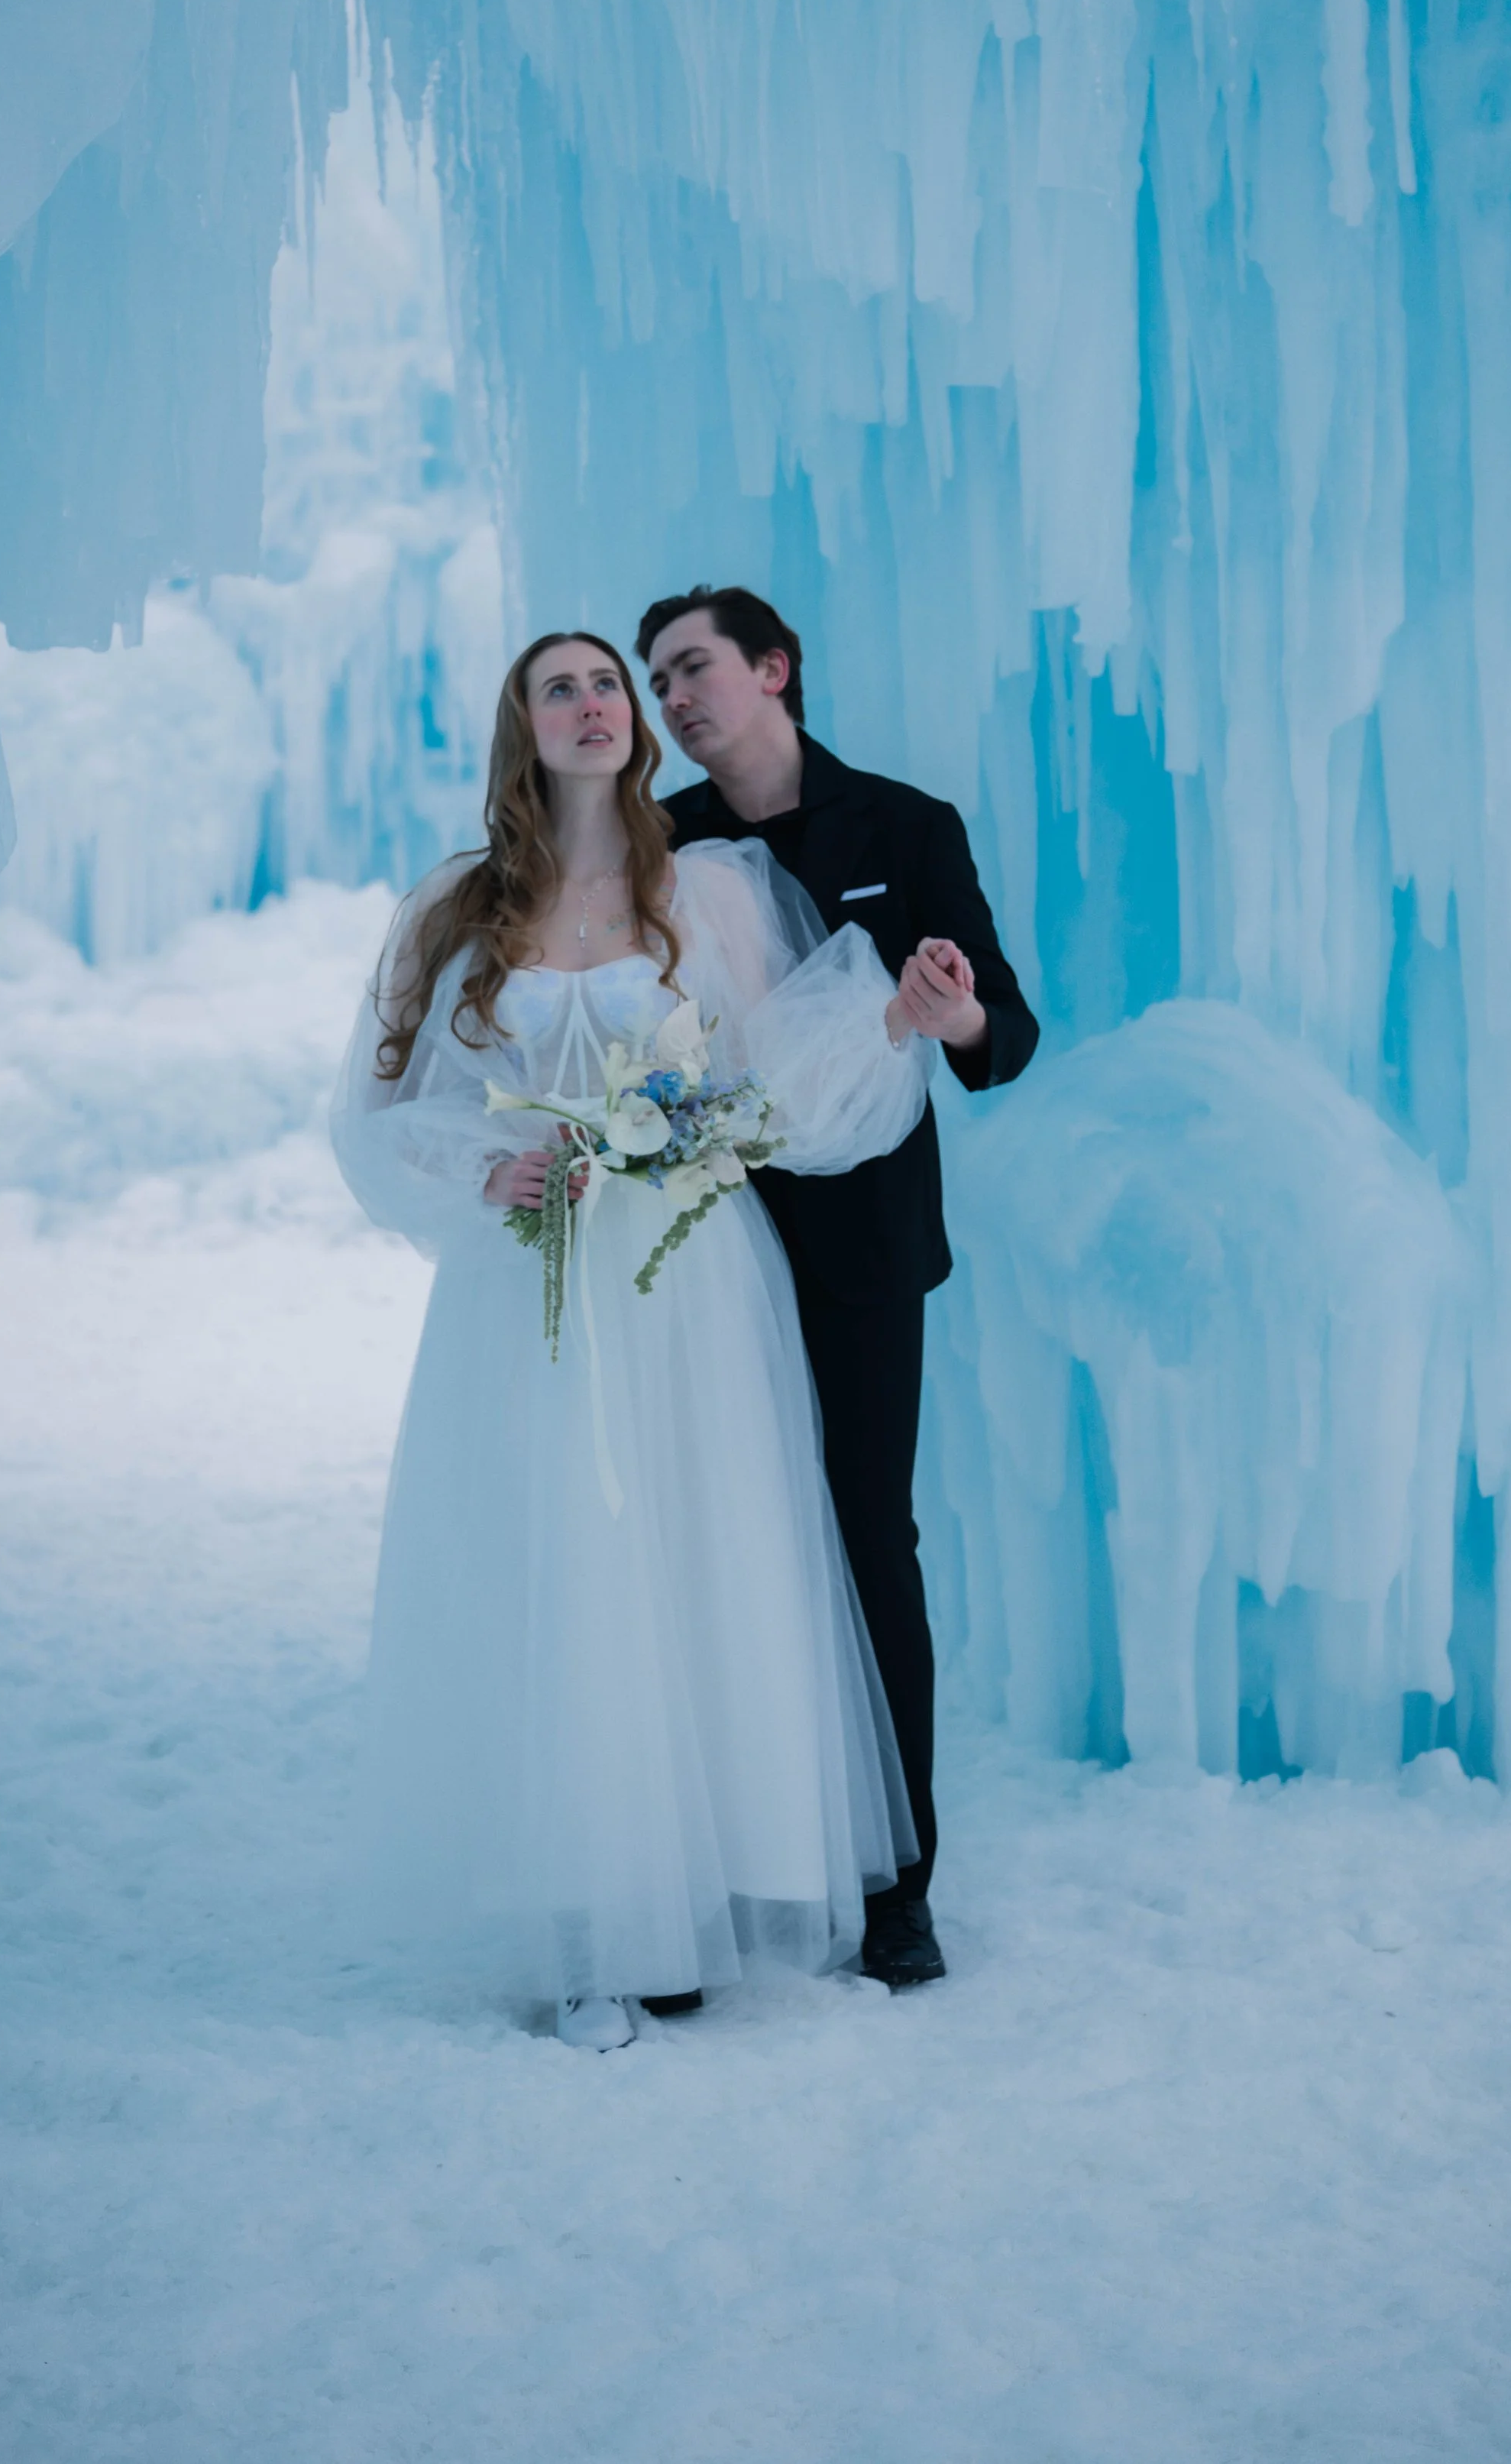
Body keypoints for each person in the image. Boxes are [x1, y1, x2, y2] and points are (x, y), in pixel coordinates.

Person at [332, 630, 934, 2051]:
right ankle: (603, 1919)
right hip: (535, 1289)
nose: (596, 704)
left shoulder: (710, 888)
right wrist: (488, 1171)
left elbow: (777, 1079)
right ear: (522, 729)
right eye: (563, 688)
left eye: (611, 683)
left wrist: (891, 1023)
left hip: (691, 1283)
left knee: (694, 1563)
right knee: (577, 1578)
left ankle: (702, 1895)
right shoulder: (454, 909)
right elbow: (383, 1118)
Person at [637, 587, 1040, 1990]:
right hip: (705, 1250)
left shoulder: (906, 825)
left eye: (696, 667)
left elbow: (1009, 1030)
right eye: (660, 678)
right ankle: (734, 1860)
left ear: (773, 669)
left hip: (864, 1250)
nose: (675, 696)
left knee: (872, 1539)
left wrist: (957, 1008)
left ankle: (897, 1885)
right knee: (720, 1548)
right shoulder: (657, 841)